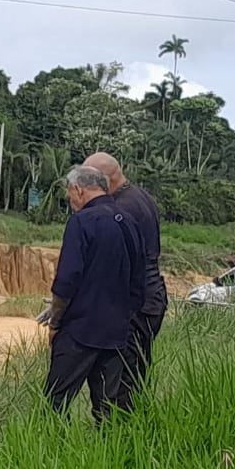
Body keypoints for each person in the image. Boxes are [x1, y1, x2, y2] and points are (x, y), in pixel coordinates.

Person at [39, 165, 144, 423]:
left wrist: (55, 323)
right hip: (116, 331)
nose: (71, 202)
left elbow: (67, 280)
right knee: (107, 408)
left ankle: (50, 446)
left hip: (80, 330)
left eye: (69, 195)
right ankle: (108, 446)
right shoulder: (129, 222)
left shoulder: (81, 222)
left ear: (78, 189)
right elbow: (139, 281)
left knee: (55, 404)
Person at [83, 151, 168, 399]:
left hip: (132, 304)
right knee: (134, 374)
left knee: (118, 381)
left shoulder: (120, 209)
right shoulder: (142, 198)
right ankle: (132, 420)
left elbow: (111, 264)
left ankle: (119, 423)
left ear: (104, 180)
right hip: (150, 297)